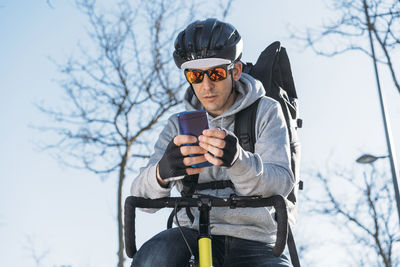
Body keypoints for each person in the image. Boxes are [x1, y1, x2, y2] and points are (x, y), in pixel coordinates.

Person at [130, 18, 295, 267]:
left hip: (255, 241)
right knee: (153, 258)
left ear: (235, 71)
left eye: (216, 73)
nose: (206, 85)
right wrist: (162, 172)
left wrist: (239, 161)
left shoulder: (266, 111)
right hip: (192, 235)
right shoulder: (178, 125)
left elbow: (282, 181)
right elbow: (140, 195)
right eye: (196, 76)